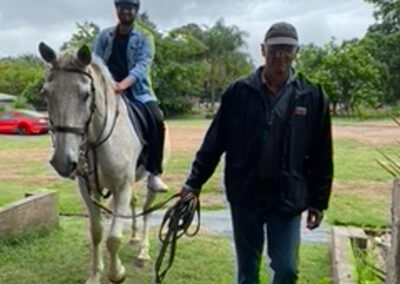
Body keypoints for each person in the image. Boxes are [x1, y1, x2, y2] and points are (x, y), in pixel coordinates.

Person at [180, 22, 333, 284]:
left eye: (287, 49)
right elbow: (214, 143)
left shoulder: (313, 96)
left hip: (287, 196)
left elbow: (321, 154)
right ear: (263, 50)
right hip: (245, 194)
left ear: (296, 52)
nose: (279, 56)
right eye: (274, 49)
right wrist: (194, 182)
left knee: (287, 269)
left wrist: (319, 201)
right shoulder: (238, 93)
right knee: (247, 271)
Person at [93, 0, 168, 192]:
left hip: (137, 92)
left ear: (136, 11)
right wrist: (107, 85)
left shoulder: (145, 37)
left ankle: (153, 173)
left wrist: (123, 85)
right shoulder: (104, 36)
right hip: (107, 90)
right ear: (117, 10)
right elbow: (96, 61)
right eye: (123, 7)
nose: (126, 11)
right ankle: (81, 165)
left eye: (130, 8)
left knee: (157, 120)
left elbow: (142, 66)